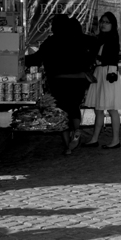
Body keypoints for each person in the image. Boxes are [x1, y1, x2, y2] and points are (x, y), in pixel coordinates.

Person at [25, 15, 96, 155]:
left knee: (62, 111)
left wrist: (19, 59)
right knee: (74, 106)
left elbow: (36, 59)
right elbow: (94, 46)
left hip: (58, 82)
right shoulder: (81, 40)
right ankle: (76, 131)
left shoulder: (51, 42)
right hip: (78, 81)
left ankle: (67, 146)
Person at [86, 12, 121, 149]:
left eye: (107, 22)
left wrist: (98, 59)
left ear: (112, 24)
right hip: (101, 72)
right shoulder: (100, 38)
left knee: (111, 108)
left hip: (108, 72)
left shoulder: (112, 38)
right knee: (98, 108)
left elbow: (110, 57)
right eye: (102, 21)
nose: (103, 24)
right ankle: (95, 138)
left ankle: (115, 140)